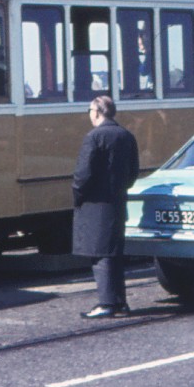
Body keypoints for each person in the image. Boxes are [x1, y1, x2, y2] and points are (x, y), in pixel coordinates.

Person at [72, 95, 139, 319]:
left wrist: (78, 195)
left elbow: (83, 174)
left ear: (98, 112)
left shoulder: (94, 137)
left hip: (95, 204)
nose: (89, 114)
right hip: (117, 203)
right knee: (113, 253)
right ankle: (120, 301)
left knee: (100, 254)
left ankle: (107, 303)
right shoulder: (126, 136)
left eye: (90, 110)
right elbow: (133, 173)